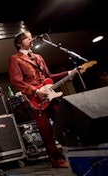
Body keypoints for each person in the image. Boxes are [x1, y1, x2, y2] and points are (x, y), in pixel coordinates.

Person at [8, 30, 85, 168]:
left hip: (51, 96)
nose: (31, 40)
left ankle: (77, 152)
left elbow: (49, 76)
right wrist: (36, 91)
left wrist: (70, 72)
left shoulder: (38, 57)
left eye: (32, 38)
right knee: (46, 130)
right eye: (28, 38)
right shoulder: (15, 59)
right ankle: (56, 159)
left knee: (65, 122)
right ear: (19, 43)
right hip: (35, 100)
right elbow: (16, 81)